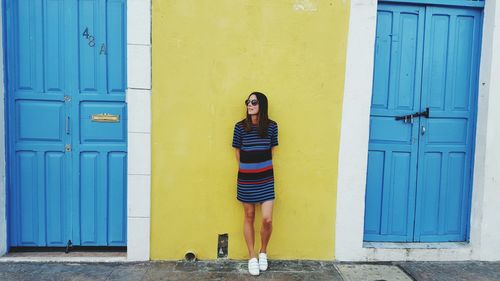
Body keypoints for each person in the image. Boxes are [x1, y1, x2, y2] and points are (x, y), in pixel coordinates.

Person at [232, 92, 278, 276]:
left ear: (262, 105)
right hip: (246, 179)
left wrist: (260, 166)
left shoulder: (272, 126)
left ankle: (263, 251)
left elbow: (272, 150)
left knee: (267, 219)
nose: (249, 105)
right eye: (248, 102)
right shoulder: (240, 127)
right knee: (249, 215)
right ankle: (252, 256)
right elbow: (237, 152)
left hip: (266, 179)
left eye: (253, 102)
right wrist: (247, 168)